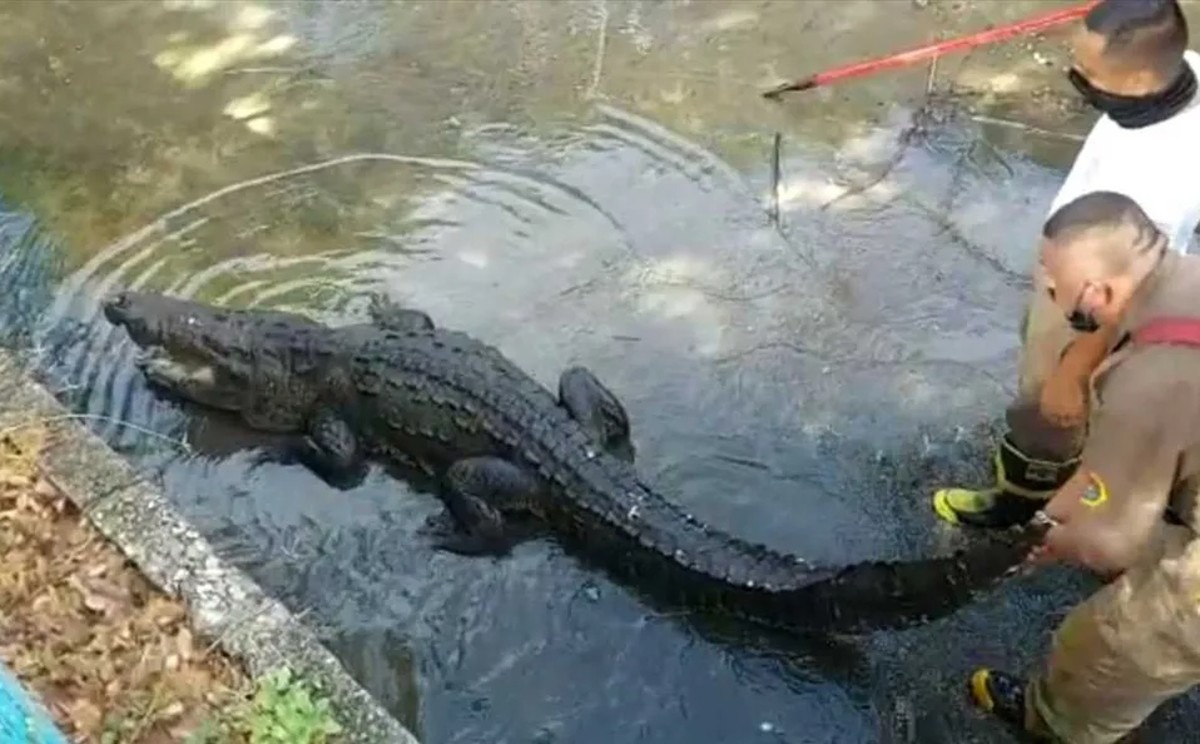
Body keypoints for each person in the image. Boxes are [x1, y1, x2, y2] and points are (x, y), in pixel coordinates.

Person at [933, 0, 1200, 528]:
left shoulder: (1166, 180)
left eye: (1089, 73)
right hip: (1078, 270)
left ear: (1142, 72)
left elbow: (1125, 297)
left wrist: (1071, 371)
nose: (1077, 78)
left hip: (1093, 306)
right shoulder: (1180, 70)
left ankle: (1027, 506)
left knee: (1051, 409)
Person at [969, 190, 1200, 743]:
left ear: (1098, 292)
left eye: (1055, 282)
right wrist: (1057, 514)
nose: (1049, 290)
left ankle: (1058, 725)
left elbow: (1108, 542)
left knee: (1110, 645)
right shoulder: (1185, 279)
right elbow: (1105, 481)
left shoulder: (1148, 387)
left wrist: (1038, 548)